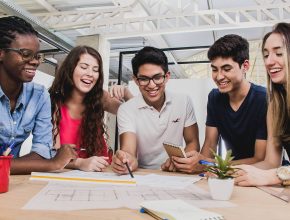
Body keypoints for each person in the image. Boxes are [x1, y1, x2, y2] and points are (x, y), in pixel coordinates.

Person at [170, 34, 268, 173]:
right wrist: (199, 163)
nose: (219, 76)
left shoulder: (263, 99)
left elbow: (260, 158)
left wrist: (212, 164)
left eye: (226, 69)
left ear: (245, 66)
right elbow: (210, 142)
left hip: (262, 175)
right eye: (215, 69)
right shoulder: (215, 97)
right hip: (230, 172)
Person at [0, 16, 77, 174]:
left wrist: (45, 162)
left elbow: (42, 153)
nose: (35, 62)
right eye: (25, 54)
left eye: (37, 56)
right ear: (1, 53)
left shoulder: (39, 95)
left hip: (11, 184)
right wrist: (52, 164)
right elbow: (46, 162)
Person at [111, 46, 200, 174]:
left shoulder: (184, 101)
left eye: (157, 77)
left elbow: (192, 142)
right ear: (136, 80)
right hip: (143, 174)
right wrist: (126, 161)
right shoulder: (126, 109)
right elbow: (129, 152)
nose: (152, 85)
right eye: (144, 79)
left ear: (167, 76)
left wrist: (180, 162)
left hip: (176, 173)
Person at [49, 45, 133, 172]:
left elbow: (135, 113)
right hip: (66, 173)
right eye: (84, 67)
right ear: (70, 69)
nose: (90, 74)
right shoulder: (53, 103)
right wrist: (79, 163)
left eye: (95, 70)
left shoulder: (100, 97)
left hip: (102, 171)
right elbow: (52, 153)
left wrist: (126, 93)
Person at [235, 23, 290, 186]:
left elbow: (272, 172)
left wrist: (273, 176)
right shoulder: (275, 105)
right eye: (266, 55)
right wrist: (232, 171)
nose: (269, 62)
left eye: (279, 53)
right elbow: (270, 163)